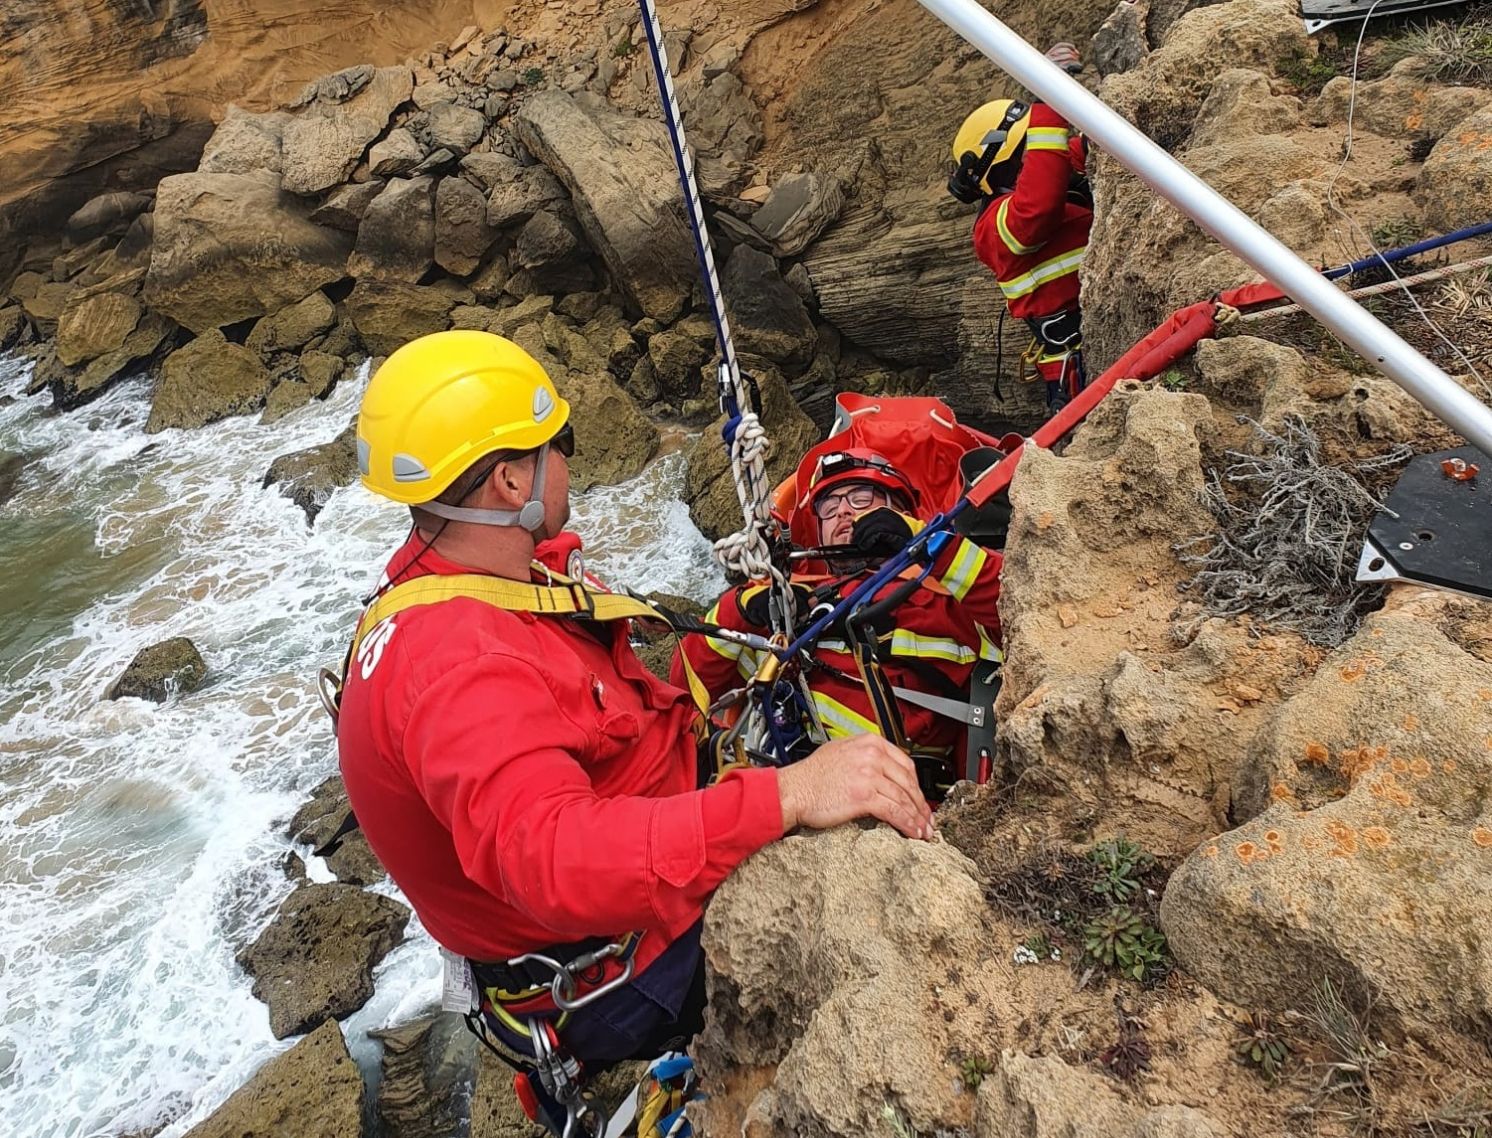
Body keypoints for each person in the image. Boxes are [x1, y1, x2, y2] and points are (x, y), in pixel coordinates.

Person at [334, 331, 935, 1127]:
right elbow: (557, 859)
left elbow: (599, 716)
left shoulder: (465, 584)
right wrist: (785, 797)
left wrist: (720, 650)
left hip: (603, 899)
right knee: (887, 912)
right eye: (561, 444)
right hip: (619, 972)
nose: (568, 463)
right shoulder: (460, 665)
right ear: (511, 478)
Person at [677, 446, 1004, 800]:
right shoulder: (784, 607)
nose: (844, 511)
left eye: (861, 497)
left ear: (899, 510)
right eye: (829, 509)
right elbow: (686, 693)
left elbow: (1024, 612)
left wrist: (930, 543)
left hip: (903, 804)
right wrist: (736, 609)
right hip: (788, 794)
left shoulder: (943, 593)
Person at [947, 44, 1092, 413]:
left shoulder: (1053, 172)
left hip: (1103, 341)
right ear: (1008, 156)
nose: (1046, 144)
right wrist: (1046, 97)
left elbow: (1081, 152)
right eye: (1034, 140)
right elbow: (1037, 207)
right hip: (1078, 370)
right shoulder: (991, 231)